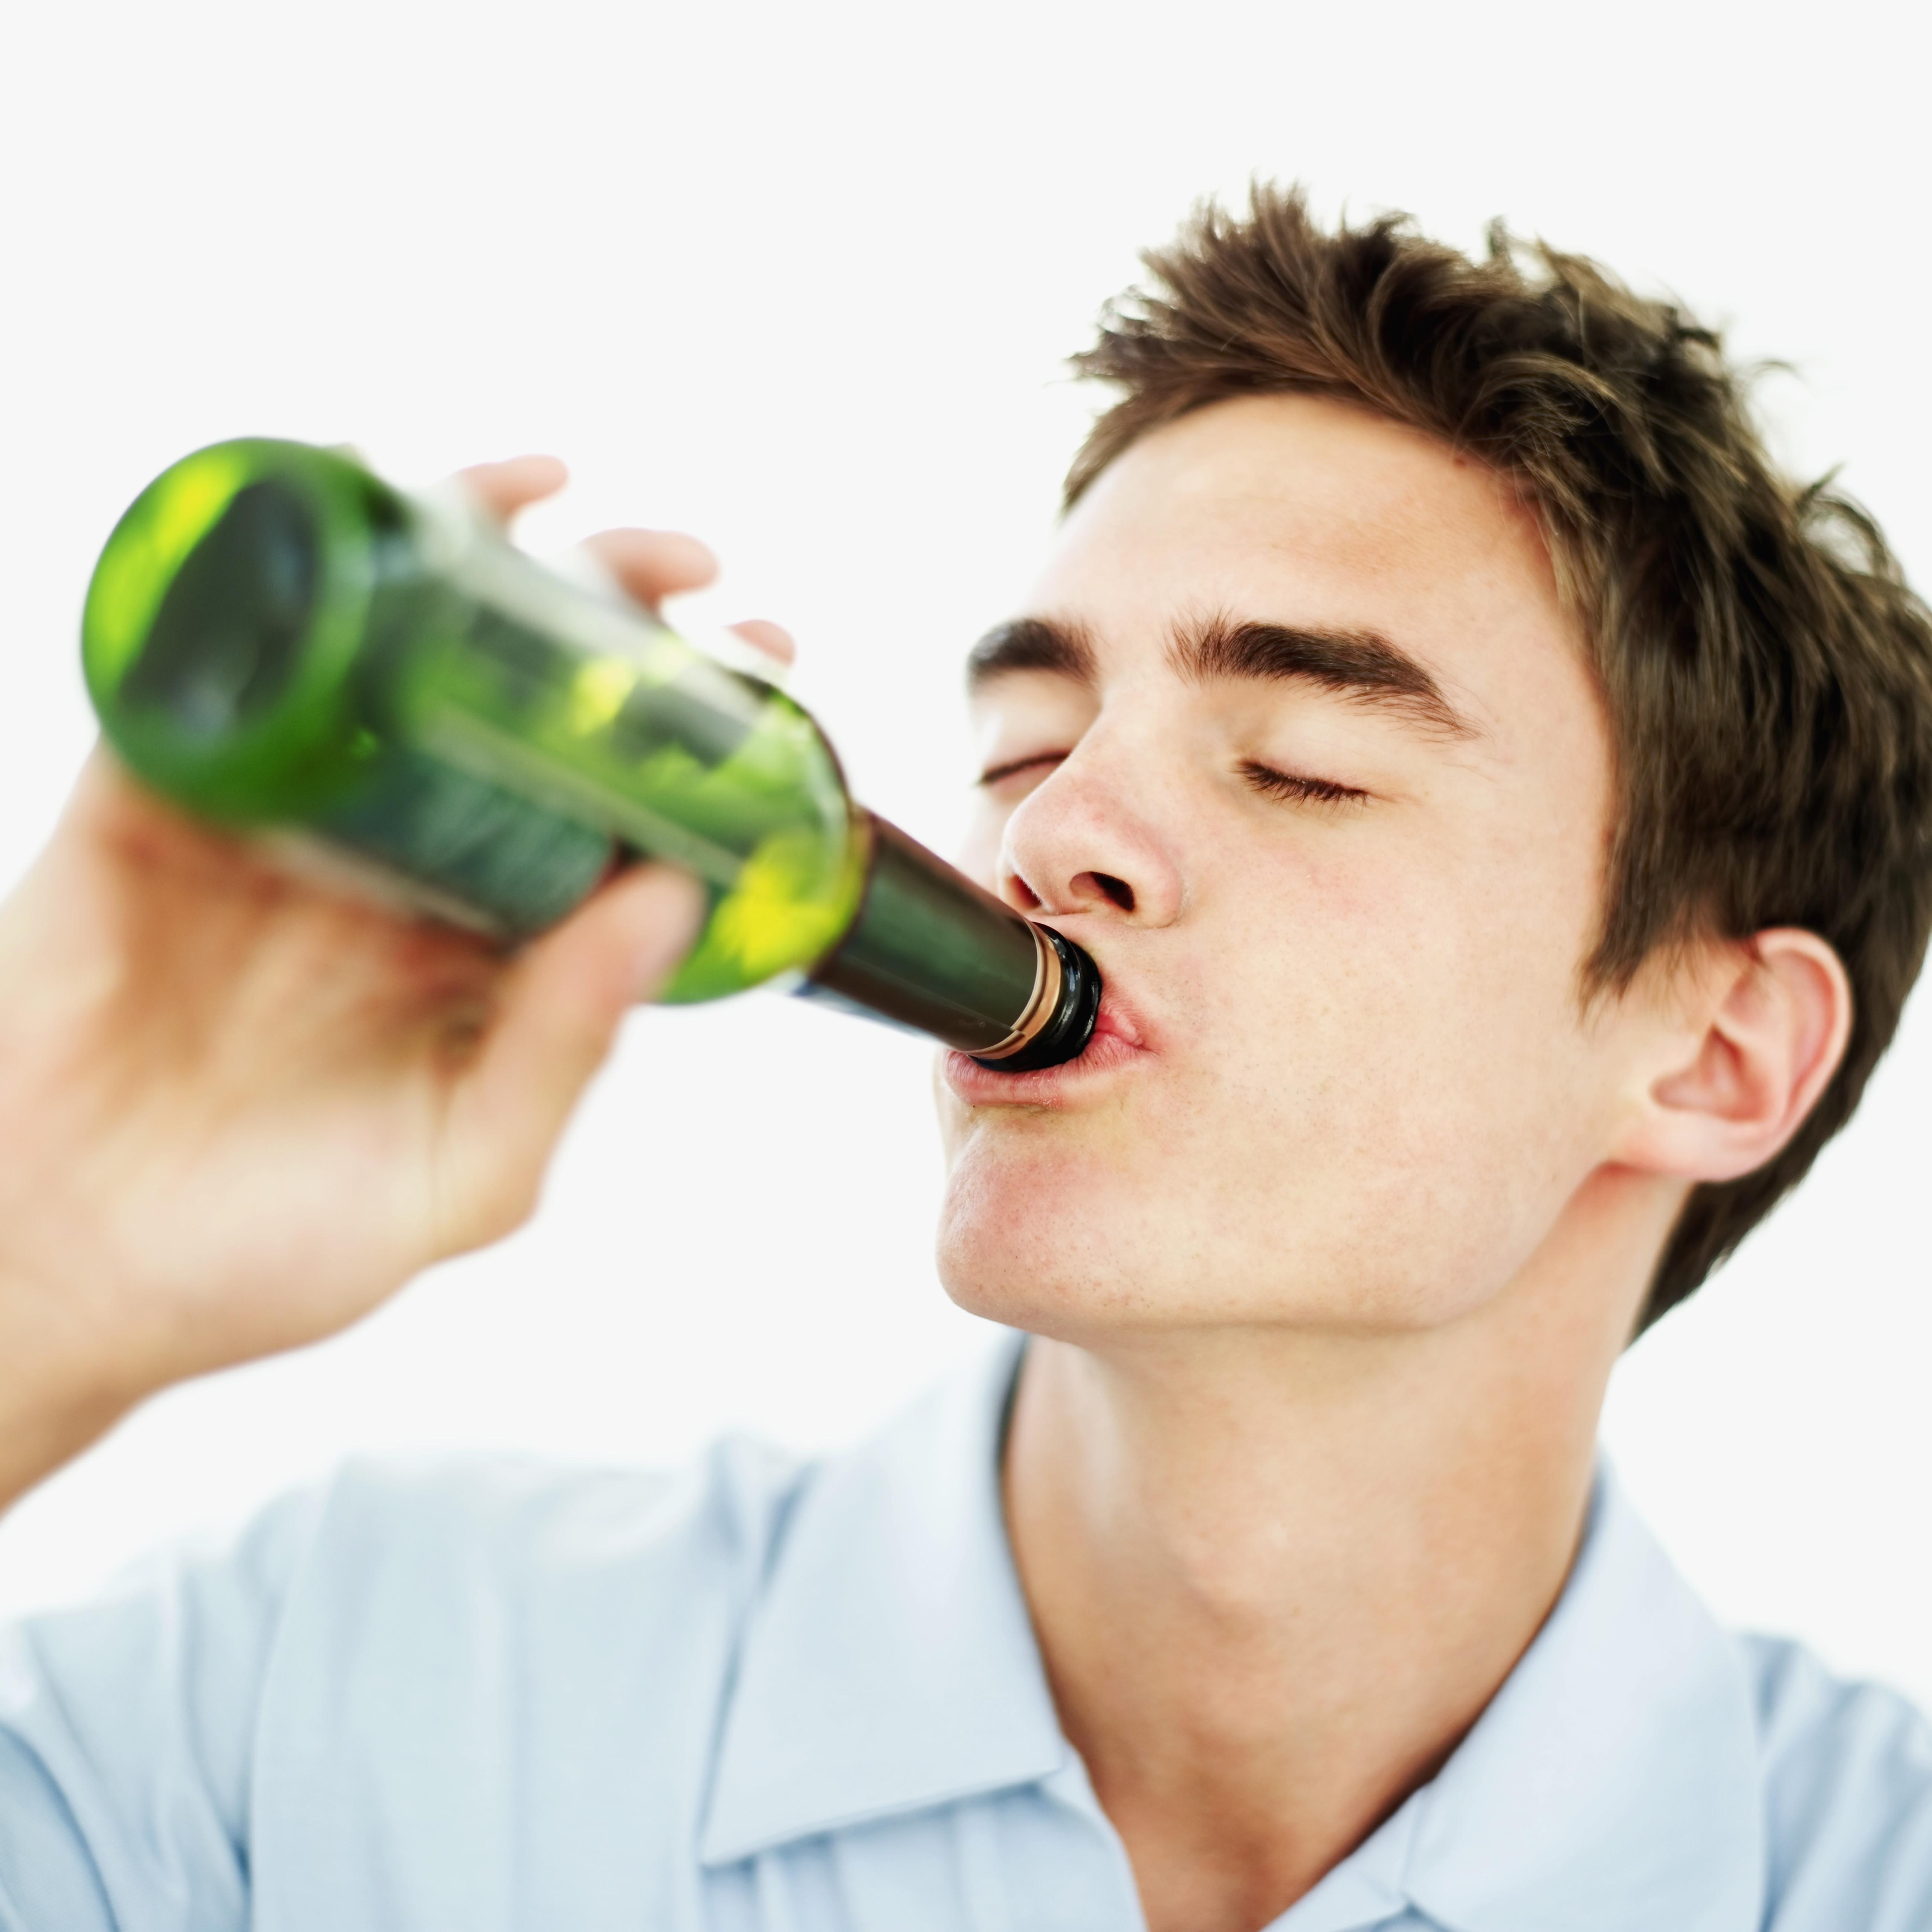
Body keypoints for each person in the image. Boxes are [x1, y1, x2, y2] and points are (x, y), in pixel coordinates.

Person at [2, 186, 1930, 1932]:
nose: (1051, 829)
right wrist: (47, 1269)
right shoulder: (325, 1701)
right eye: (1022, 742)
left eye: (1300, 763)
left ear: (1715, 1051)